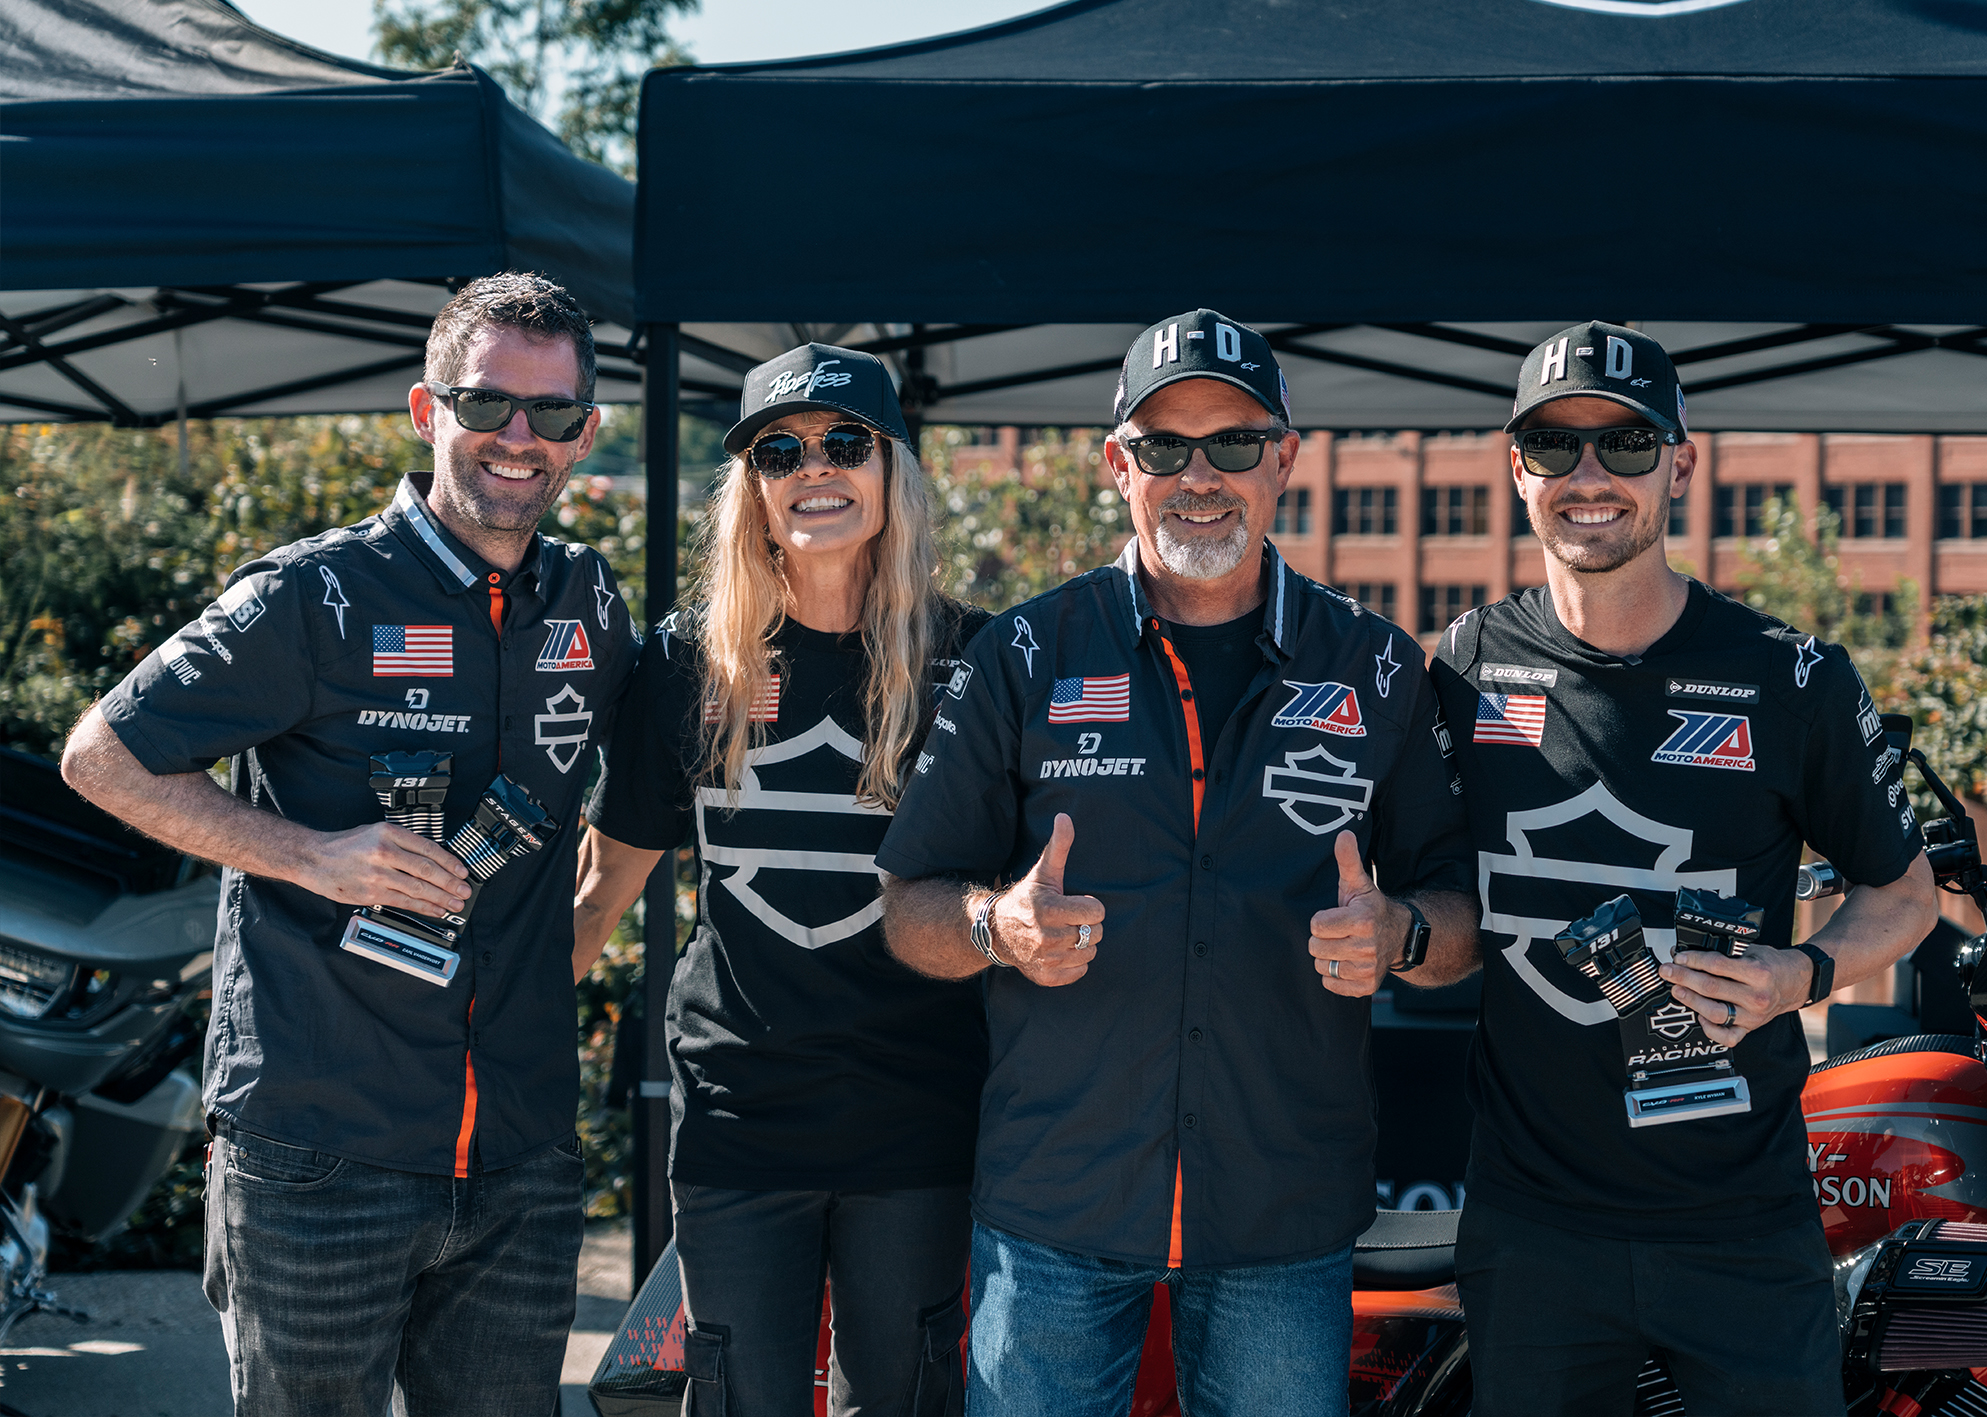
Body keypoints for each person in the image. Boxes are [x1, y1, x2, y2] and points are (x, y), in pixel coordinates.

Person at [873, 309, 1480, 1417]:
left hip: (1278, 1213)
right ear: (1118, 465)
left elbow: (1460, 912)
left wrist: (1401, 936)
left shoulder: (1378, 666)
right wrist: (992, 927)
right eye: (1163, 447)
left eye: (1234, 443)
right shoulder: (1022, 652)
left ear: (1285, 458)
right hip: (1054, 1203)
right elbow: (908, 901)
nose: (1198, 476)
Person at [60, 273, 638, 1416]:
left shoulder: (591, 604)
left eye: (552, 415)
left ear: (585, 434)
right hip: (318, 1149)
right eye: (486, 407)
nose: (517, 439)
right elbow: (101, 756)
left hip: (519, 1156)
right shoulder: (312, 595)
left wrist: (583, 928)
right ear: (427, 413)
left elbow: (656, 783)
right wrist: (309, 856)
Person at [1431, 322, 1939, 1417]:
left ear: (1681, 461)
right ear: (1514, 465)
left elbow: (1902, 892)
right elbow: (1433, 901)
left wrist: (1800, 974)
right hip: (1533, 1228)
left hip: (1738, 1226)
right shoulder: (1465, 666)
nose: (1589, 476)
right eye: (1553, 446)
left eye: (1625, 442)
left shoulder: (1788, 677)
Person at [574, 344, 990, 1417]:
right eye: (781, 449)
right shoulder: (687, 663)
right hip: (739, 1115)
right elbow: (602, 889)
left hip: (919, 1111)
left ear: (891, 470)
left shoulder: (977, 663)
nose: (817, 467)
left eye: (845, 443)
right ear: (752, 487)